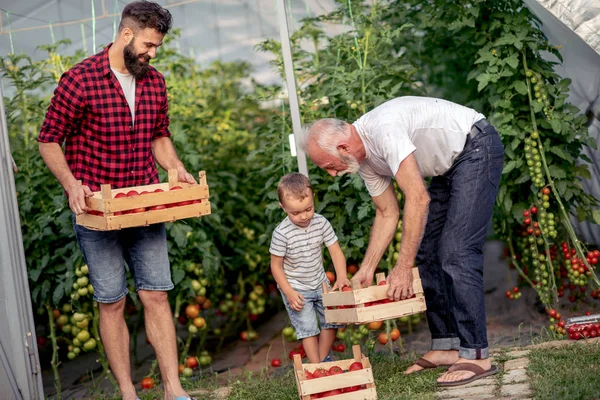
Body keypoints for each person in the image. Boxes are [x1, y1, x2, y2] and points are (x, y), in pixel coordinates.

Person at [38, 2, 196, 399]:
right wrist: (72, 183)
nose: (152, 53)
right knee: (111, 302)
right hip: (96, 209)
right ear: (126, 35)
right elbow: (48, 138)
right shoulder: (80, 80)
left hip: (142, 203)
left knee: (156, 294)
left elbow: (159, 135)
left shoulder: (154, 82)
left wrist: (174, 167)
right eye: (147, 44)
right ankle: (128, 392)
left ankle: (173, 390)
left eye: (157, 46)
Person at [301, 96, 504, 387]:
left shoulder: (383, 130)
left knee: (456, 252)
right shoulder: (365, 161)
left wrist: (401, 266)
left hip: (476, 147)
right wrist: (367, 269)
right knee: (428, 254)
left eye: (330, 166)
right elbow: (387, 213)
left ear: (344, 148)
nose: (333, 174)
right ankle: (446, 345)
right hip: (447, 167)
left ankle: (477, 354)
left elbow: (418, 198)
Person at [269, 173, 350, 363]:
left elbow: (336, 252)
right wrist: (289, 292)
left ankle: (321, 362)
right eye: (295, 213)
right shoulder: (281, 233)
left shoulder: (321, 223)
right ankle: (316, 366)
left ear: (313, 199)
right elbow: (276, 266)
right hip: (296, 288)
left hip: (320, 282)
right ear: (283, 208)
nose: (304, 216)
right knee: (308, 328)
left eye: (308, 209)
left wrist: (341, 277)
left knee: (333, 320)